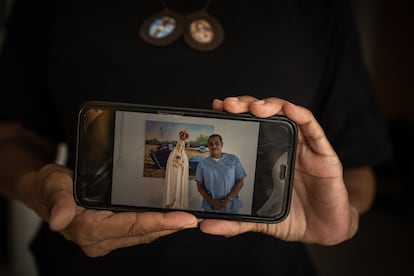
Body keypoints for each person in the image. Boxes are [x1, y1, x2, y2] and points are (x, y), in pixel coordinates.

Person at [0, 0, 393, 275]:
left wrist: (344, 213)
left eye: (218, 142)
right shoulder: (50, 5)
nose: (216, 146)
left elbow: (358, 172)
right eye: (215, 143)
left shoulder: (317, 8)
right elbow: (13, 139)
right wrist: (37, 188)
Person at [195, 134, 246, 213]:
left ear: (222, 144)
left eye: (217, 143)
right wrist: (212, 201)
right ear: (208, 146)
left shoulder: (233, 159)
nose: (214, 146)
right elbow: (199, 185)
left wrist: (228, 199)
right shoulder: (202, 163)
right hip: (210, 205)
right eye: (211, 144)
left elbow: (240, 181)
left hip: (231, 204)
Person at [162, 135, 190, 209]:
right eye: (179, 145)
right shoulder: (172, 154)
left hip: (180, 174)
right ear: (177, 145)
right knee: (173, 187)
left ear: (183, 147)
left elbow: (186, 166)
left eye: (182, 145)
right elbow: (169, 164)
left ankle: (178, 203)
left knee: (179, 187)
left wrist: (181, 164)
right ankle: (171, 201)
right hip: (174, 174)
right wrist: (174, 163)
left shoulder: (184, 155)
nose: (180, 146)